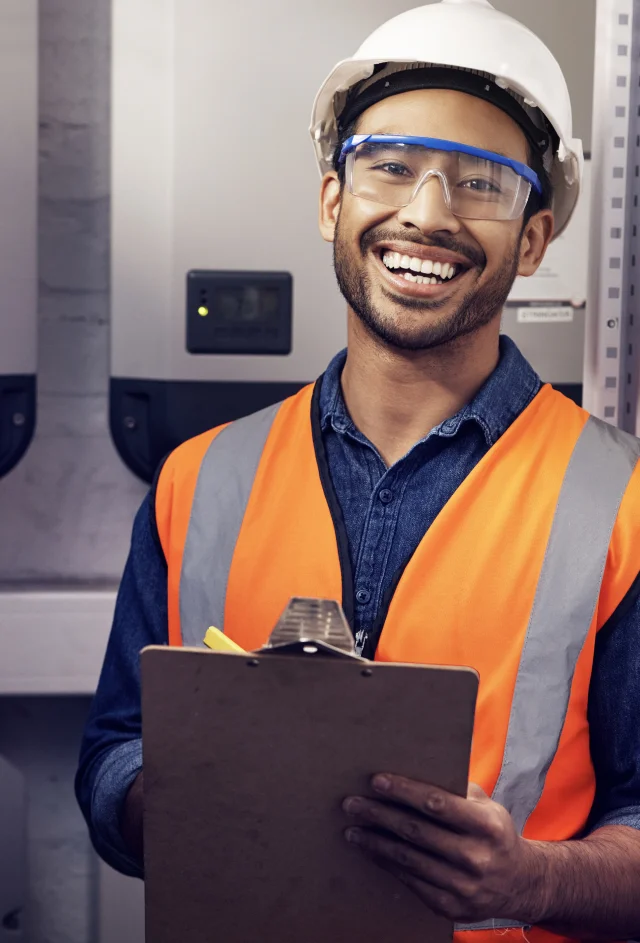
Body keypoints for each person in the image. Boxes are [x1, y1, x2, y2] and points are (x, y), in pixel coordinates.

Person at [76, 1, 640, 940]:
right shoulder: (197, 480)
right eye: (390, 166)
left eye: (482, 184)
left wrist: (528, 880)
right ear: (334, 199)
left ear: (534, 239)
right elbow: (110, 755)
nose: (427, 213)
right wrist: (171, 795)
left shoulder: (622, 506)